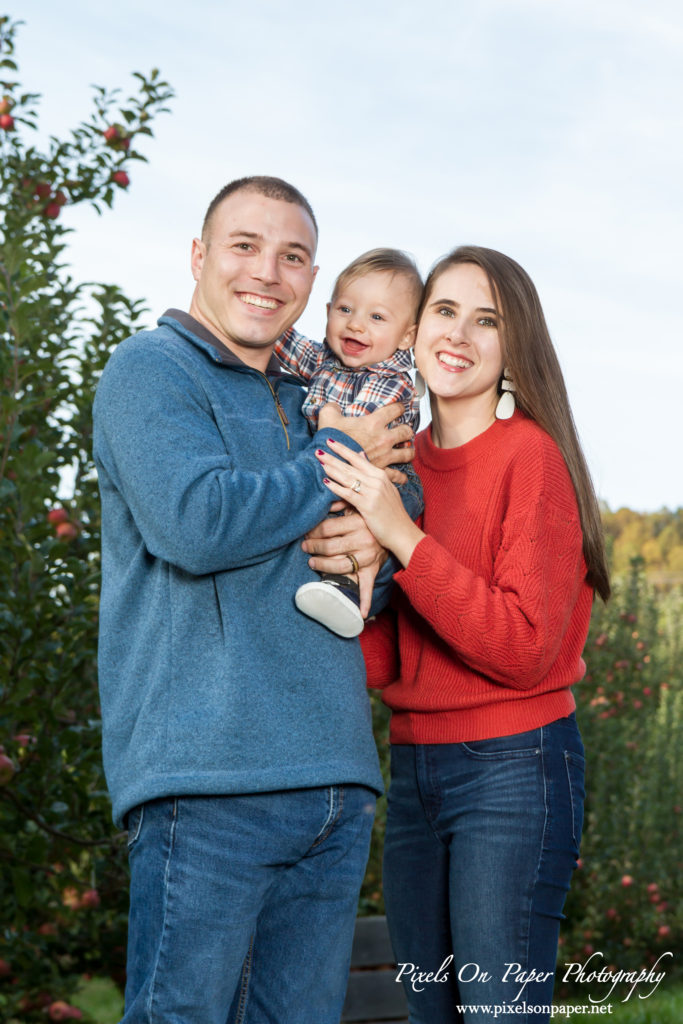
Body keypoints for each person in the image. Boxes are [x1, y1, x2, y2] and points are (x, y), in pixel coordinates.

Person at [92, 175, 415, 1024]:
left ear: (313, 279)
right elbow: (196, 524)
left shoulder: (318, 388)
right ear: (199, 256)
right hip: (209, 780)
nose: (267, 273)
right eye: (244, 246)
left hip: (335, 782)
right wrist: (333, 460)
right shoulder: (149, 372)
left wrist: (383, 530)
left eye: (294, 256)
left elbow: (401, 493)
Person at [309, 245, 611, 1023]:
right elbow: (387, 654)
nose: (460, 335)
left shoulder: (529, 459)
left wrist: (400, 537)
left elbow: (521, 647)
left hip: (513, 769)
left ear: (515, 348)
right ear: (412, 330)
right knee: (430, 1015)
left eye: (488, 321)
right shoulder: (400, 465)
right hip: (414, 771)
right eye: (445, 311)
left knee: (496, 1013)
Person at [274, 247, 424, 638]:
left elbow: (356, 435)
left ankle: (354, 595)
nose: (356, 325)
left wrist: (326, 424)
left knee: (353, 522)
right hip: (339, 467)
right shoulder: (327, 360)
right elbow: (283, 340)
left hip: (385, 481)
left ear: (407, 334)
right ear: (327, 312)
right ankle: (337, 588)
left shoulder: (393, 381)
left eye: (376, 317)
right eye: (345, 310)